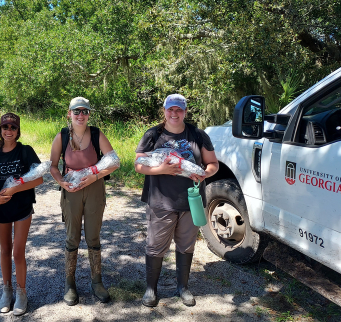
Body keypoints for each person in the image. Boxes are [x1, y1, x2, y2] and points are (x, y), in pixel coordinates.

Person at [134, 94, 219, 308]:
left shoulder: (198, 135)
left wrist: (204, 174)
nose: (174, 114)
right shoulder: (153, 134)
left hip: (190, 200)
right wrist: (161, 169)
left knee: (186, 244)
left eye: (178, 110)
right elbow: (139, 164)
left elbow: (213, 164)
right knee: (155, 246)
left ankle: (183, 287)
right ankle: (151, 288)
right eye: (170, 109)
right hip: (161, 200)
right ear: (164, 111)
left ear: (185, 112)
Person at [49, 97, 120, 306]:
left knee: (93, 236)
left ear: (89, 114)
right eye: (76, 111)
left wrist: (94, 176)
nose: (81, 116)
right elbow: (52, 165)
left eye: (85, 112)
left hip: (95, 188)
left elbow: (114, 161)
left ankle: (96, 281)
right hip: (71, 189)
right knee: (72, 237)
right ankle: (69, 283)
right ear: (69, 113)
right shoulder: (61, 136)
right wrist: (61, 182)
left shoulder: (97, 134)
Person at [0, 113, 43, 316]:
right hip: (1, 209)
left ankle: (21, 292)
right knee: (4, 250)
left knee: (18, 252)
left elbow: (38, 180)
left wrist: (14, 190)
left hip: (22, 208)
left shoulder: (25, 151)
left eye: (13, 127)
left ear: (18, 131)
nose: (8, 131)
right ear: (0, 131)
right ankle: (6, 290)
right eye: (5, 127)